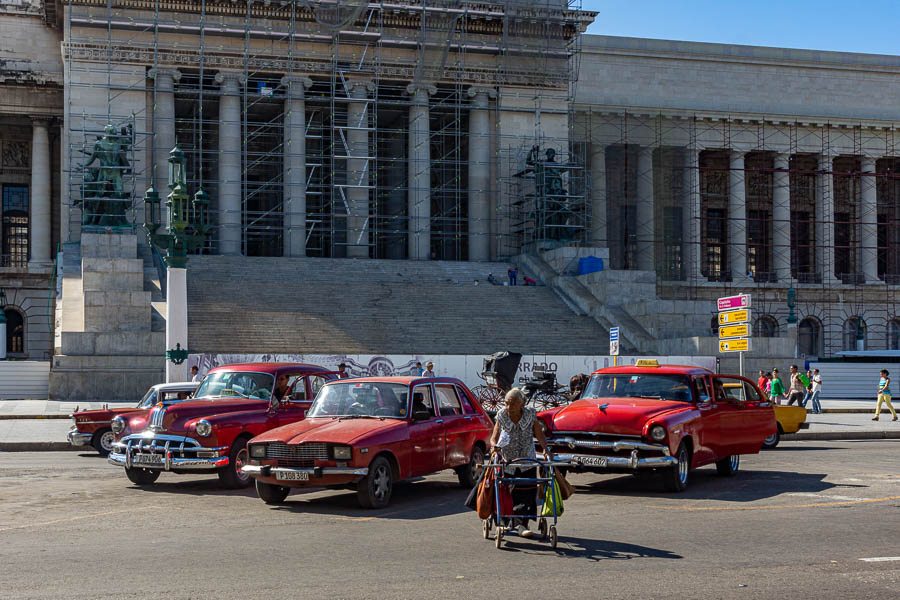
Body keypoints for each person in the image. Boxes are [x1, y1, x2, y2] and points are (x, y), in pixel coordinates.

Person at [489, 388, 553, 539]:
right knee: (509, 492)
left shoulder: (530, 414)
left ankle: (523, 524)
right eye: (506, 403)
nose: (508, 407)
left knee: (527, 492)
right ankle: (511, 522)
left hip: (527, 461)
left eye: (513, 404)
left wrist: (546, 449)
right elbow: (494, 437)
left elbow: (539, 434)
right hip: (508, 461)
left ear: (522, 404)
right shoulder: (502, 415)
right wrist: (494, 448)